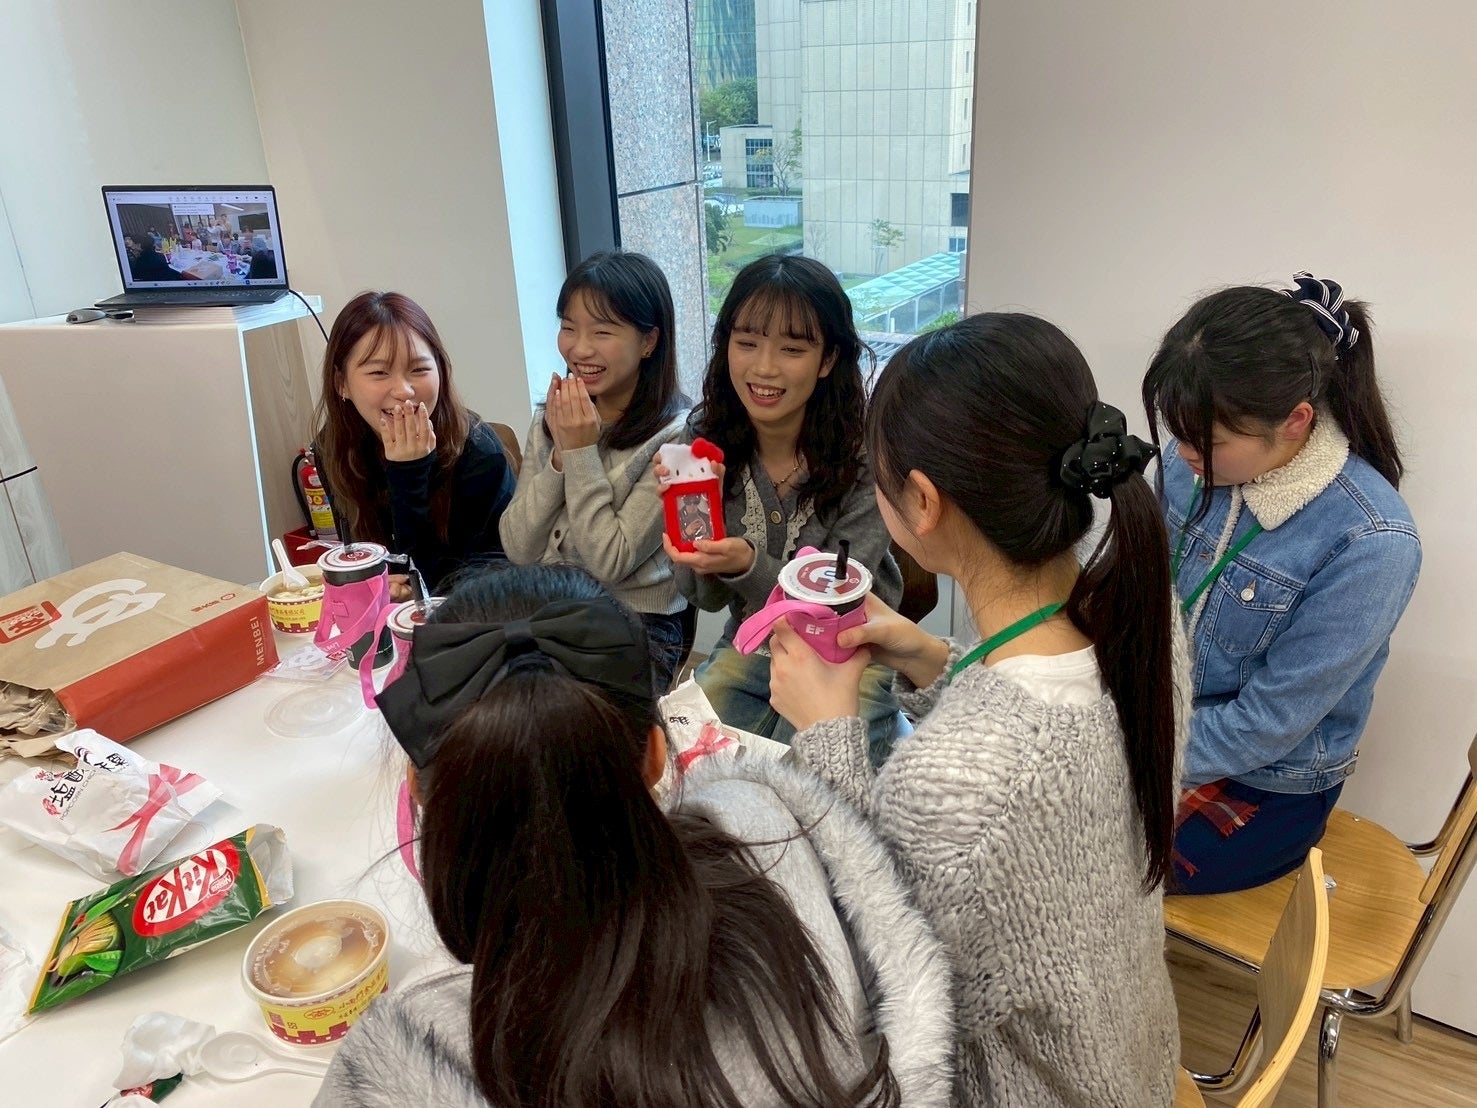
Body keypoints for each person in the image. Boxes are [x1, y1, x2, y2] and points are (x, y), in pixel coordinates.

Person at [315, 563, 954, 1108]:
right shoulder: (773, 840)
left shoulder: (402, 1059)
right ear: (656, 755)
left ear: (420, 792)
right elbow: (863, 894)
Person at [768, 313, 1184, 1105]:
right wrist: (930, 658)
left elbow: (864, 1001)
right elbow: (1035, 744)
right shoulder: (1144, 620)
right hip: (1127, 1053)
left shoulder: (957, 784)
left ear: (922, 502)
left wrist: (825, 736)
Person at [1143, 272, 1421, 894]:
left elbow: (1266, 725)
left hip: (1265, 780)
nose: (1183, 454)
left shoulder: (1372, 540)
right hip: (1154, 722)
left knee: (1078, 854)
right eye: (1177, 432)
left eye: (1208, 441)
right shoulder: (1190, 467)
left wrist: (1129, 747)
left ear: (1296, 421)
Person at [667, 254, 902, 757]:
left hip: (854, 645)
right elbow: (702, 597)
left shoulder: (865, 454)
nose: (764, 367)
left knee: (815, 769)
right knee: (692, 752)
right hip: (757, 636)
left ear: (827, 359)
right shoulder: (704, 436)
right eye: (746, 342)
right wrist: (690, 533)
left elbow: (835, 599)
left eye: (792, 348)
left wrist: (748, 565)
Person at [499, 250, 690, 693]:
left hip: (636, 622)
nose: (579, 348)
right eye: (568, 327)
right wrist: (560, 457)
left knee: (569, 714)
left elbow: (611, 561)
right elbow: (518, 548)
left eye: (602, 331)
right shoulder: (555, 416)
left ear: (649, 341)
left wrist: (581, 452)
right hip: (549, 608)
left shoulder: (679, 437)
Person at [313, 291, 515, 597]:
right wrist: (384, 585)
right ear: (341, 383)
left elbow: (494, 576)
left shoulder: (479, 452)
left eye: (419, 369)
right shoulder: (334, 449)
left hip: (471, 610)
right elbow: (362, 555)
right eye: (379, 372)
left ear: (441, 371)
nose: (404, 390)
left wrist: (408, 473)